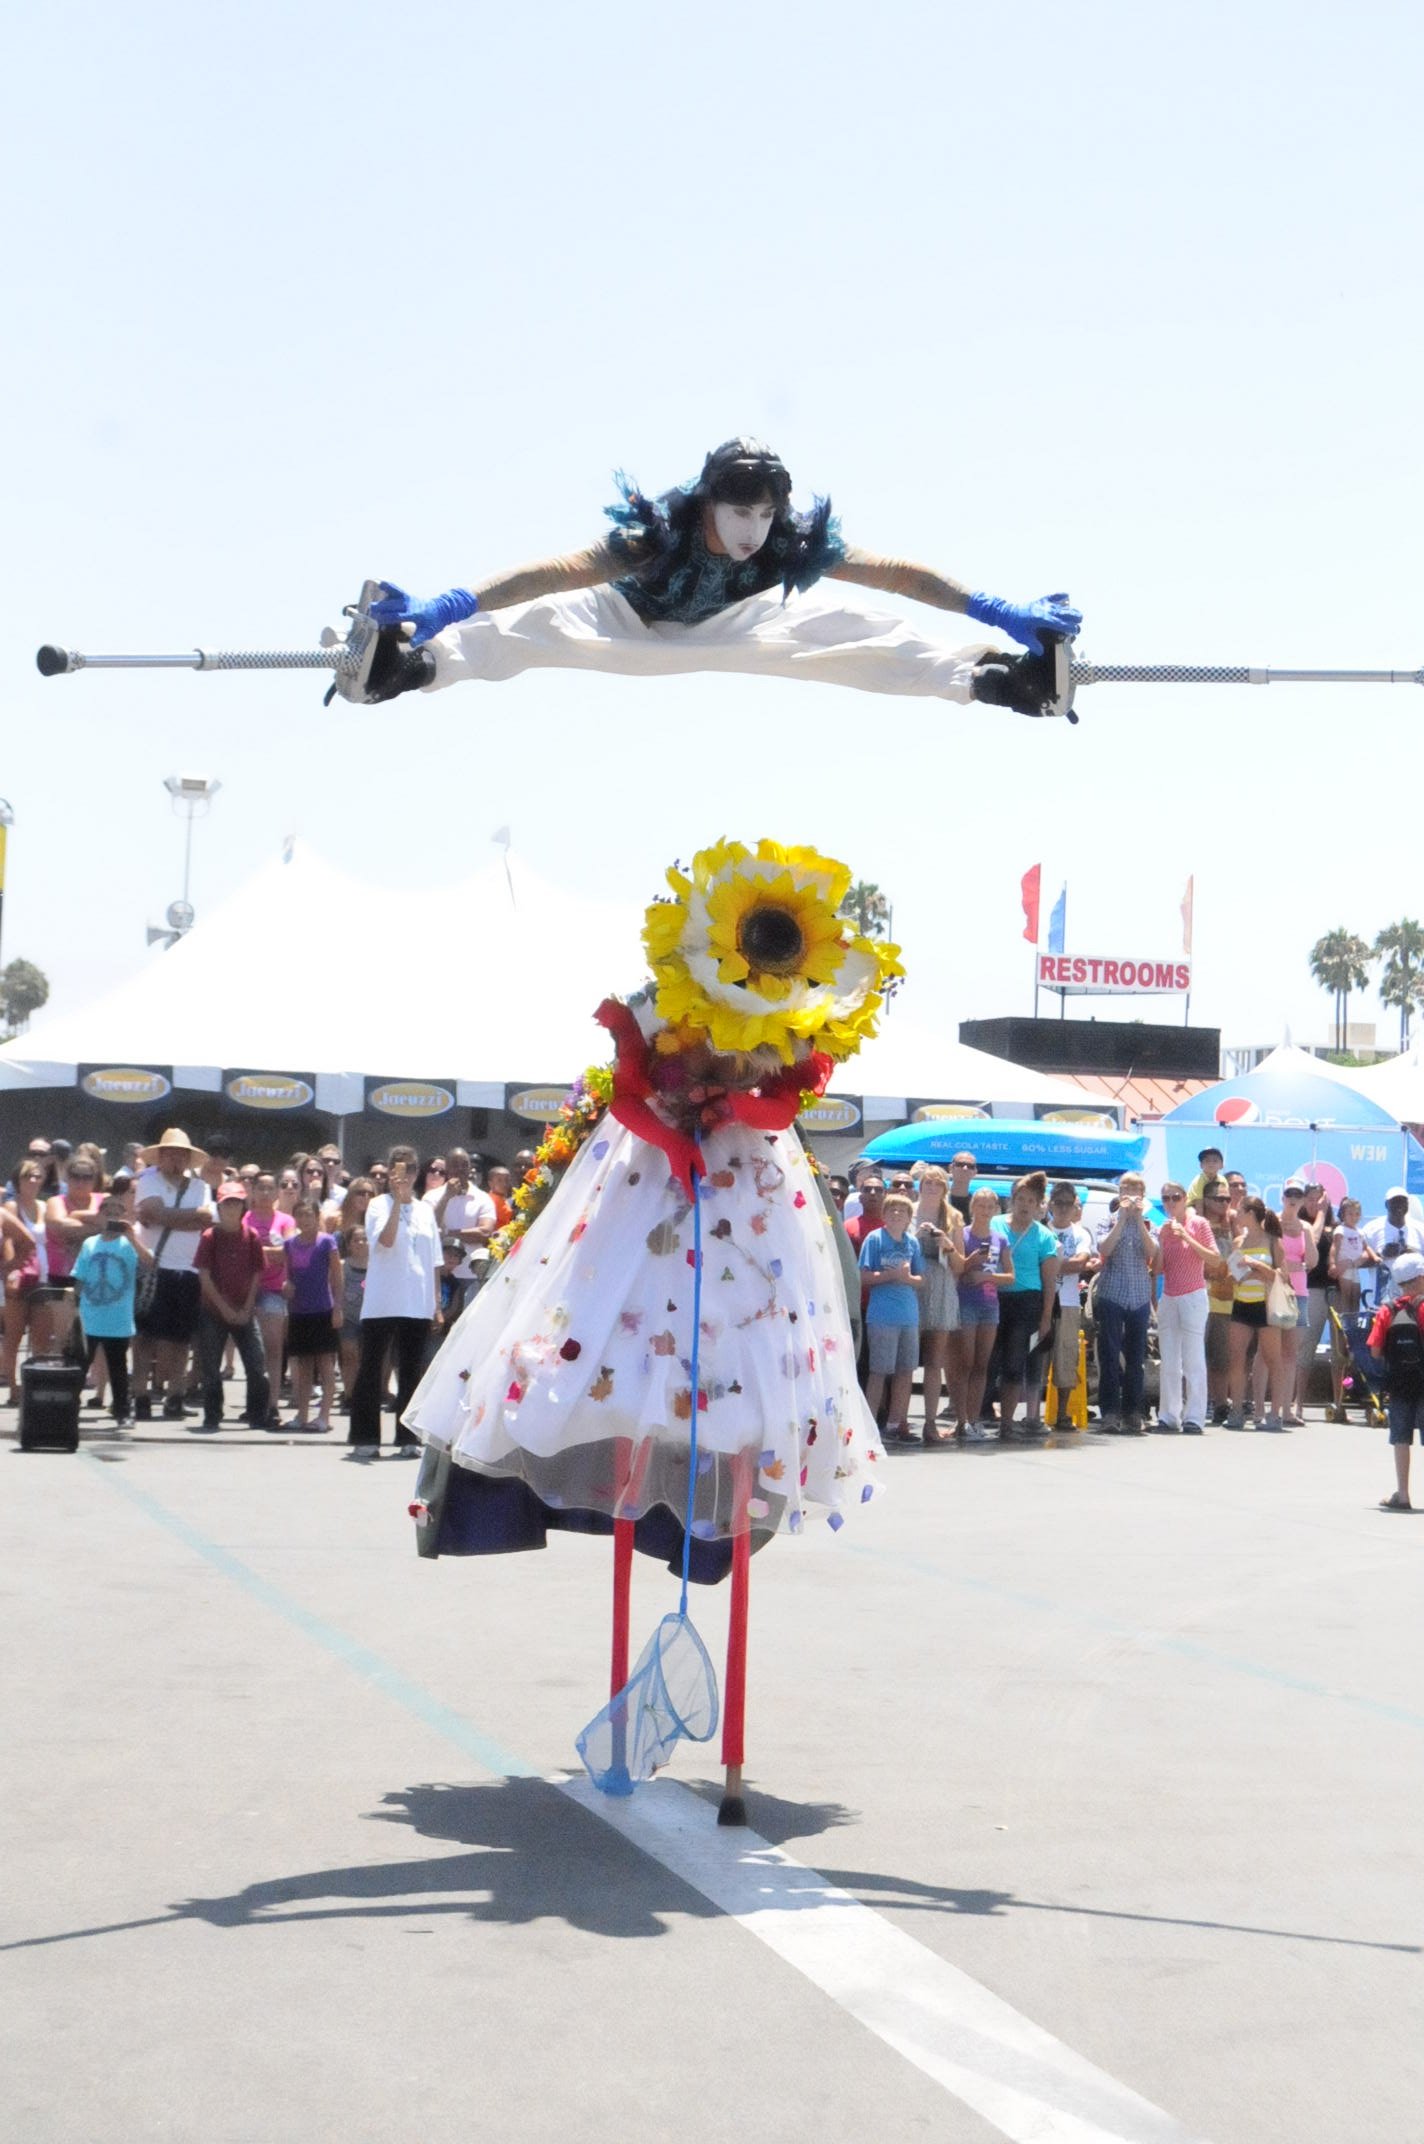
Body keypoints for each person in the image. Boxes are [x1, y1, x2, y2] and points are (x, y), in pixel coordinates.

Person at [359, 438, 1081, 721]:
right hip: (628, 622)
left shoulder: (784, 543)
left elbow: (893, 574)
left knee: (867, 631)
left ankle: (1002, 681)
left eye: (764, 515)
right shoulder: (657, 537)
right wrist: (451, 604)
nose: (751, 531)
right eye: (739, 513)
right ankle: (404, 667)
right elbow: (554, 572)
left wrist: (995, 609)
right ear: (708, 503)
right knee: (529, 627)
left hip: (739, 626)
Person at [349, 1146, 439, 1457]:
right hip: (383, 1301)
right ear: (389, 1174)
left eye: (410, 1170)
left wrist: (436, 1303)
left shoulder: (426, 1210)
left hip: (417, 1302)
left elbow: (434, 1260)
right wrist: (398, 1203)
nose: (405, 1176)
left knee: (411, 1370)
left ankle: (408, 1438)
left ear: (417, 1174)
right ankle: (366, 1437)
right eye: (399, 1170)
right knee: (371, 1368)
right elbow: (385, 1241)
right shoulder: (378, 1205)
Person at [132, 1129, 214, 1421]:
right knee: (145, 1338)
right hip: (153, 1268)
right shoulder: (148, 1181)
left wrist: (165, 1216)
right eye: (171, 1154)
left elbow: (205, 1219)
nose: (176, 1159)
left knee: (181, 1339)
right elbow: (151, 1212)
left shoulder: (200, 1186)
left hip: (188, 1271)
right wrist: (187, 1218)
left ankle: (175, 1396)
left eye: (182, 1155)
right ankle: (140, 1395)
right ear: (161, 1156)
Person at [193, 1182, 269, 1431]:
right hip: (213, 1311)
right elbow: (204, 1276)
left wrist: (247, 1307)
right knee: (211, 1367)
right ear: (219, 1207)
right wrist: (224, 1308)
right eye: (227, 1203)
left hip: (244, 1309)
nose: (232, 1208)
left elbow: (257, 1273)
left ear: (243, 1207)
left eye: (236, 1203)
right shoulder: (210, 1237)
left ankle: (257, 1414)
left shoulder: (252, 1236)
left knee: (256, 1364)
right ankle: (212, 1414)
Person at [990, 1172, 1060, 1437]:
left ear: (1038, 1205)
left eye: (1031, 1200)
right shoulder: (995, 1224)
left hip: (1026, 1303)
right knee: (986, 1361)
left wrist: (1045, 1319)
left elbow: (1049, 1282)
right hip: (994, 1297)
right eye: (1021, 1198)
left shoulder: (1044, 1236)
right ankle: (973, 1418)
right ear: (1012, 1200)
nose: (1025, 1205)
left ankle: (1007, 1424)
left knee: (1014, 1363)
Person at [72, 1196, 150, 1430]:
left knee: (118, 1367)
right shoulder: (90, 1243)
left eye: (118, 1213)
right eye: (108, 1212)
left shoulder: (129, 1244)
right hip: (90, 1317)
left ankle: (122, 1411)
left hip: (118, 1318)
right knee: (79, 1366)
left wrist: (132, 1238)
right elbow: (79, 1278)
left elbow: (150, 1262)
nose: (112, 1216)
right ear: (99, 1216)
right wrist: (74, 1310)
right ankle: (70, 1408)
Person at [858, 1193, 924, 1444]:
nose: (897, 1214)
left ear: (909, 1218)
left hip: (908, 1315)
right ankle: (870, 1428)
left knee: (905, 1371)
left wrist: (907, 1279)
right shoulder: (875, 1239)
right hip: (882, 1315)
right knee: (879, 1371)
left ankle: (897, 1424)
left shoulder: (912, 1242)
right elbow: (863, 1276)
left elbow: (921, 1279)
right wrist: (891, 1275)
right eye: (892, 1210)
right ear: (884, 1215)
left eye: (902, 1211)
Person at [1094, 1171, 1157, 1433]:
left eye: (1136, 1190)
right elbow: (1104, 1249)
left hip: (1139, 1296)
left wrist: (1139, 1221)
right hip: (1112, 1293)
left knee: (1136, 1358)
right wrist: (1121, 1219)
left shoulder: (1149, 1223)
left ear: (1143, 1195)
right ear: (1119, 1194)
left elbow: (1152, 1252)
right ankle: (1110, 1412)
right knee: (1109, 1356)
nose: (1131, 1195)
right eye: (1126, 1190)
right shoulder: (1107, 1220)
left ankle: (1133, 1411)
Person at [1153, 1181, 1215, 1433]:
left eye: (1175, 1197)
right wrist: (1161, 1240)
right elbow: (1157, 1269)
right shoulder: (1164, 1228)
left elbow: (1214, 1258)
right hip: (1169, 1296)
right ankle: (1169, 1415)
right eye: (1166, 1198)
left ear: (1185, 1198)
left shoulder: (1199, 1223)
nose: (1170, 1203)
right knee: (1169, 1361)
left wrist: (1186, 1236)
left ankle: (1195, 1417)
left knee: (1193, 1359)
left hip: (1193, 1295)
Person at [1225, 1198, 1290, 1430]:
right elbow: (1232, 1274)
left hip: (1265, 1305)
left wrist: (1256, 1266)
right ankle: (1236, 1411)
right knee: (1236, 1358)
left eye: (1240, 1211)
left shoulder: (1272, 1241)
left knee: (1273, 1359)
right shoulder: (1238, 1242)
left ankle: (1275, 1414)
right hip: (1242, 1303)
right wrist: (1239, 1274)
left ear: (1251, 1213)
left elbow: (1282, 1276)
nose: (1236, 1215)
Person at [1367, 1252, 1424, 1512]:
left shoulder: (1387, 1310)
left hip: (1400, 1383)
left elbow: (1375, 1351)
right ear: (1419, 1278)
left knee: (1401, 1438)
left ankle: (1402, 1494)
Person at [910, 1166, 963, 1444]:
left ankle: (930, 1423)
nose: (932, 1187)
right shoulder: (908, 1211)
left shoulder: (953, 1217)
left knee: (934, 1361)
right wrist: (915, 1237)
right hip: (914, 1283)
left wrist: (947, 1244)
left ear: (945, 1188)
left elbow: (960, 1265)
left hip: (941, 1285)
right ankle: (899, 1421)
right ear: (920, 1185)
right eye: (927, 1182)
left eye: (938, 1183)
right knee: (907, 1359)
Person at [956, 1186, 1014, 1438]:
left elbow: (1010, 1276)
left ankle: (974, 1418)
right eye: (980, 1205)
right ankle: (961, 1419)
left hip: (990, 1306)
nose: (985, 1210)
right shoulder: (962, 1234)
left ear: (996, 1210)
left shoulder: (1000, 1239)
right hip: (966, 1303)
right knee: (965, 1363)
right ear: (972, 1207)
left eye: (990, 1206)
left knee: (982, 1364)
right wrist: (971, 1266)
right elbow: (956, 1267)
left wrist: (986, 1277)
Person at [282, 1198, 343, 1432]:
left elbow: (337, 1276)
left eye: (309, 1214)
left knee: (325, 1364)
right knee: (303, 1365)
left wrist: (337, 1307)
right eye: (300, 1215)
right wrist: (286, 1286)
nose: (305, 1219)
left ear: (317, 1217)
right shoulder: (289, 1244)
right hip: (299, 1311)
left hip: (323, 1310)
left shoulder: (327, 1242)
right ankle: (302, 1414)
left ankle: (324, 1416)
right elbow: (288, 1276)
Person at [2, 1158, 52, 1400]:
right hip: (20, 1275)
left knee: (42, 1336)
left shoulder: (44, 1206)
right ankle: (13, 1387)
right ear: (18, 1180)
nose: (33, 1180)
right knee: (14, 1335)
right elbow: (8, 1240)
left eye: (37, 1176)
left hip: (42, 1274)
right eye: (27, 1176)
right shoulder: (11, 1207)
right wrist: (11, 1269)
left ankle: (35, 1387)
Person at [1046, 1182, 1095, 1431]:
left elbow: (1080, 1263)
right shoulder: (1041, 1229)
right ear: (1050, 1204)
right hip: (1041, 1300)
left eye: (1069, 1203)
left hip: (1068, 1301)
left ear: (1075, 1205)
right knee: (1036, 1356)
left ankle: (1063, 1414)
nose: (1064, 1208)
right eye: (1059, 1203)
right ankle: (1032, 1414)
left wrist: (1049, 1265)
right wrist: (1064, 1264)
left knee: (1066, 1356)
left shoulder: (1081, 1234)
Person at [425, 1147, 496, 1312]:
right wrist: (446, 1197)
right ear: (447, 1168)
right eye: (455, 1165)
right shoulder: (431, 1197)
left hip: (471, 1276)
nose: (460, 1169)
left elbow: (485, 1232)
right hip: (439, 1276)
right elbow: (429, 1229)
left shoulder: (483, 1198)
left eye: (464, 1165)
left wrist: (448, 1234)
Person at [1294, 1184, 1336, 1420]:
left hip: (1335, 1290)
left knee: (1341, 1349)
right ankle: (1297, 1403)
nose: (1315, 1203)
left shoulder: (1337, 1227)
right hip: (1311, 1290)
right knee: (1306, 1346)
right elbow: (1313, 1240)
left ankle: (1338, 1403)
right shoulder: (1300, 1226)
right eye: (1310, 1199)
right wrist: (1320, 1212)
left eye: (1319, 1199)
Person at [1200, 1179, 1238, 1425]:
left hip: (1225, 1300)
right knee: (1196, 1356)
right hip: (1200, 1297)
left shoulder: (1233, 1225)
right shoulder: (1197, 1224)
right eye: (1218, 1199)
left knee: (1221, 1358)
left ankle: (1221, 1404)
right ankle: (1197, 1403)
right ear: (1206, 1200)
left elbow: (1240, 1255)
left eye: (1227, 1199)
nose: (1224, 1203)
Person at [1361, 1189, 1424, 1304]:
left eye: (1403, 1201)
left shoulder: (1420, 1229)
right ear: (1386, 1204)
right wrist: (1381, 1255)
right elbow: (1358, 1262)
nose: (1399, 1205)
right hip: (1382, 1299)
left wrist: (1413, 1255)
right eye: (1395, 1201)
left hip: (1416, 1301)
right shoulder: (1371, 1229)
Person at [337, 1220, 368, 1406]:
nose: (361, 1243)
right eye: (356, 1240)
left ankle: (367, 1394)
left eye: (364, 1239)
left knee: (367, 1359)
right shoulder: (342, 1265)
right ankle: (350, 1394)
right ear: (348, 1244)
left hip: (370, 1318)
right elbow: (337, 1290)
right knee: (349, 1356)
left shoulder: (377, 1266)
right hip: (348, 1318)